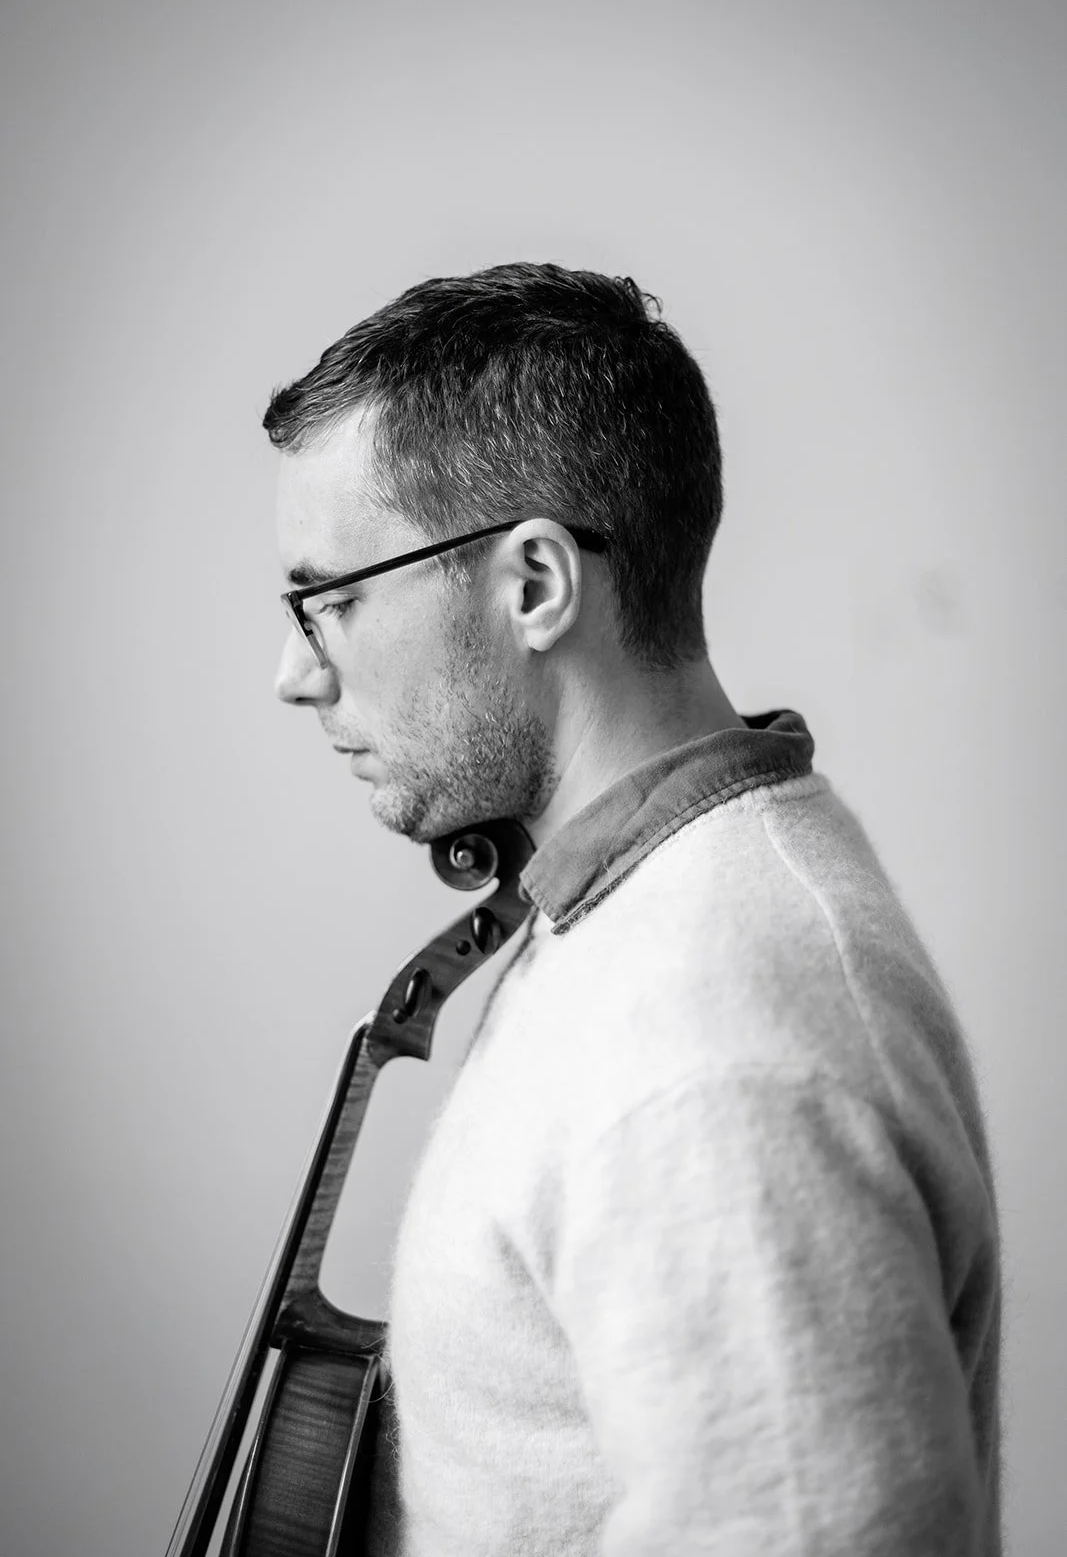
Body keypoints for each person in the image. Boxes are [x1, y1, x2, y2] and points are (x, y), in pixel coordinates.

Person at [266, 263, 1002, 1556]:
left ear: (536, 583)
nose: (293, 672)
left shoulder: (713, 1044)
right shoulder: (625, 920)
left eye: (334, 598)